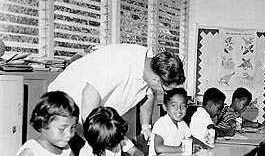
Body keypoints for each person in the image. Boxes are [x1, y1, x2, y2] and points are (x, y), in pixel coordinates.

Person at [48, 44, 186, 140]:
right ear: (156, 79)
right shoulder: (121, 62)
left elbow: (148, 95)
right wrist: (93, 139)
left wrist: (146, 126)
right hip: (65, 108)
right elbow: (89, 95)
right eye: (166, 90)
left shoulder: (150, 65)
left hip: (92, 113)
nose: (166, 93)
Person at [0, 91, 116, 156]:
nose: (69, 134)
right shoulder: (32, 150)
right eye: (62, 128)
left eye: (73, 128)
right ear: (43, 124)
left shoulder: (65, 148)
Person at [79, 107, 151, 156]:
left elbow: (135, 151)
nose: (117, 144)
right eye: (111, 144)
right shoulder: (87, 151)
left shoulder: (117, 137)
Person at [148, 88, 210, 156]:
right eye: (173, 105)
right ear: (165, 107)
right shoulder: (162, 123)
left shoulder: (182, 123)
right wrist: (183, 149)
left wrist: (205, 147)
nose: (179, 109)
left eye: (183, 106)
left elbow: (190, 138)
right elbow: (159, 149)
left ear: (186, 108)